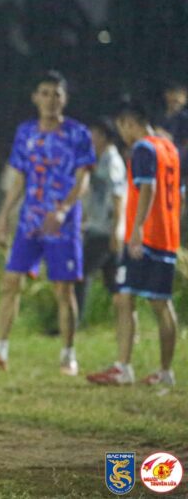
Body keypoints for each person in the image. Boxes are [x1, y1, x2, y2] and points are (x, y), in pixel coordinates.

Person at [0, 71, 94, 375]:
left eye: (57, 94)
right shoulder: (26, 132)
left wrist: (63, 209)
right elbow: (20, 178)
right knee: (11, 282)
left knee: (64, 290)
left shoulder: (77, 133)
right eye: (45, 93)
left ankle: (68, 355)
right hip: (30, 221)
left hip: (62, 224)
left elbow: (83, 178)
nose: (51, 100)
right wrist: (3, 217)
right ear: (35, 97)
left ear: (65, 99)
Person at [87, 103, 180, 386]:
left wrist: (137, 228)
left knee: (125, 297)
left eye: (122, 128)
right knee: (160, 302)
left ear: (129, 122)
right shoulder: (169, 149)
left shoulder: (143, 149)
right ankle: (165, 372)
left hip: (146, 236)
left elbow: (147, 188)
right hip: (167, 236)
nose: (123, 135)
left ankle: (123, 367)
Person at [73, 117, 126, 319]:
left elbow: (118, 197)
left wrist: (117, 230)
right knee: (114, 284)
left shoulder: (112, 162)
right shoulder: (98, 159)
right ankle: (126, 323)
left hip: (106, 230)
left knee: (81, 271)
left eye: (92, 134)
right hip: (98, 227)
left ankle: (74, 320)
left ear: (103, 136)